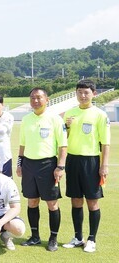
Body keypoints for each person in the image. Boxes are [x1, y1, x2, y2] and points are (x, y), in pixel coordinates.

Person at [62, 80, 110, 253]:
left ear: (93, 94)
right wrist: (66, 127)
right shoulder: (70, 113)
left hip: (91, 161)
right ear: (76, 93)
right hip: (72, 160)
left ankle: (92, 239)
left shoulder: (100, 114)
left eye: (86, 92)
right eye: (80, 92)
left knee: (92, 202)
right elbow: (63, 138)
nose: (83, 96)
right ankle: (77, 237)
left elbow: (105, 143)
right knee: (75, 200)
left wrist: (104, 165)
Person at [17, 87, 67, 252]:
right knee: (32, 202)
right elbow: (22, 144)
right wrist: (19, 164)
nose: (35, 101)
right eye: (32, 98)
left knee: (52, 204)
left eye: (39, 97)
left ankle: (53, 238)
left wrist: (60, 166)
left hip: (48, 165)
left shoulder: (55, 119)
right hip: (29, 165)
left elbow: (62, 145)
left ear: (47, 99)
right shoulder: (26, 119)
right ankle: (35, 237)